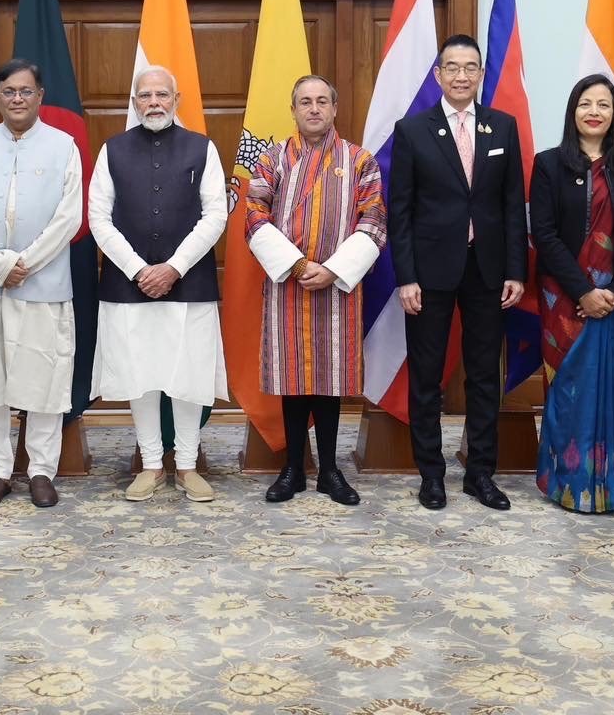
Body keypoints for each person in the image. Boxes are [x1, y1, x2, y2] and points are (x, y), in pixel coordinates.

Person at [387, 34, 527, 512]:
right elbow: (398, 212)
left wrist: (516, 270)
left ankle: (480, 474)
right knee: (426, 377)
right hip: (428, 273)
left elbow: (512, 206)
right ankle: (432, 475)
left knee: (485, 375)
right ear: (438, 75)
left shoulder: (502, 128)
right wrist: (405, 276)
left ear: (481, 74)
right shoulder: (412, 131)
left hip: (488, 272)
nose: (462, 75)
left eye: (471, 67)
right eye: (453, 67)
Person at [90, 66, 227, 502]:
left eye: (161, 95)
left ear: (176, 99)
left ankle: (186, 466)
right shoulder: (112, 150)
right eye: (145, 95)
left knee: (188, 375)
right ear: (134, 103)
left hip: (189, 283)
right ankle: (151, 464)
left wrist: (174, 267)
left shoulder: (202, 149)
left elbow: (216, 215)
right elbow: (98, 218)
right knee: (140, 376)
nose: (154, 102)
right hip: (128, 285)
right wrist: (138, 270)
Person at [247, 75, 386, 505]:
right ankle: (293, 469)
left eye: (322, 101)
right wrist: (297, 265)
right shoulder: (272, 160)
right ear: (293, 109)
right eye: (305, 102)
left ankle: (328, 469)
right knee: (293, 377)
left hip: (337, 286)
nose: (313, 109)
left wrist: (332, 269)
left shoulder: (360, 161)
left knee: (329, 378)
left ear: (335, 108)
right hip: (288, 282)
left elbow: (374, 220)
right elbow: (253, 215)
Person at [0, 59, 82, 510]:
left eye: (26, 91)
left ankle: (42, 470)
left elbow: (70, 216)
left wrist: (24, 263)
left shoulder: (64, 145)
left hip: (42, 283)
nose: (17, 99)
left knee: (43, 378)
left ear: (40, 95)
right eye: (9, 91)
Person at [528, 75, 614, 513]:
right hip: (562, 299)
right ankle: (564, 482)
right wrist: (583, 291)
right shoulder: (548, 164)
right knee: (566, 389)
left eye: (604, 104)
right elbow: (543, 234)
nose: (594, 111)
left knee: (606, 391)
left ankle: (603, 485)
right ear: (573, 112)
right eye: (586, 103)